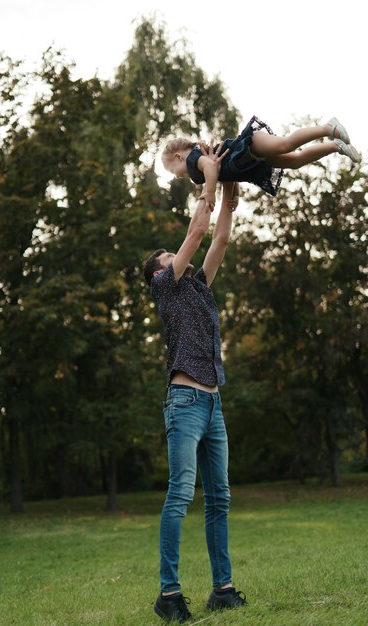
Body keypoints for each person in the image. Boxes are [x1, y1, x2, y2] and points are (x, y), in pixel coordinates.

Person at [143, 145, 246, 623]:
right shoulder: (166, 288)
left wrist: (229, 187)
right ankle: (169, 594)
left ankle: (222, 588)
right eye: (169, 255)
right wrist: (207, 185)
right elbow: (198, 230)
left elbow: (218, 240)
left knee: (219, 497)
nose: (176, 252)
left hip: (213, 404)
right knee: (182, 494)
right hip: (184, 402)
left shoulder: (198, 287)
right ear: (161, 272)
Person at [161, 116, 361, 208]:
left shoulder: (196, 159)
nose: (177, 176)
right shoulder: (202, 163)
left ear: (179, 157)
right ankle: (336, 147)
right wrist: (235, 196)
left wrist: (210, 193)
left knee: (286, 145)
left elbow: (212, 168)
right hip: (252, 161)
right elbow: (228, 175)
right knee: (295, 161)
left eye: (173, 171)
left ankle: (327, 128)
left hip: (250, 146)